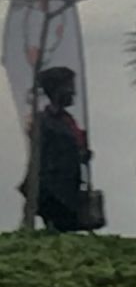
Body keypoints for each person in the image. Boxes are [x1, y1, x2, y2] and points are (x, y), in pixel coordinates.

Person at [20, 67, 91, 232]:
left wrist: (82, 153)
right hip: (52, 190)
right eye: (69, 87)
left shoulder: (68, 120)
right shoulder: (43, 121)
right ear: (57, 90)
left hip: (69, 188)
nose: (73, 93)